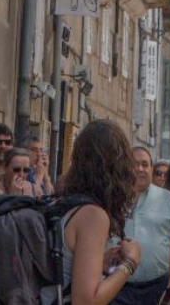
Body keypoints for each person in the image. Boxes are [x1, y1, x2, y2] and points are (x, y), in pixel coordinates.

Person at [44, 119, 141, 305]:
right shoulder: (93, 216)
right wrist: (130, 263)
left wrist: (100, 263)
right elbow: (86, 301)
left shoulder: (63, 202)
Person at [109, 147, 170, 304]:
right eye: (135, 164)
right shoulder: (111, 198)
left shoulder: (168, 199)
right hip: (117, 287)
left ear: (151, 168)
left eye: (145, 164)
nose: (140, 169)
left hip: (158, 287)